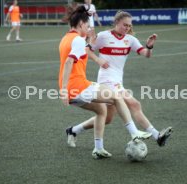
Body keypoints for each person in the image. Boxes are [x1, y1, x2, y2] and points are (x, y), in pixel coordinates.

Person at [66, 11, 173, 148]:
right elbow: (87, 50)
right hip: (106, 80)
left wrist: (149, 46)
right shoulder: (104, 36)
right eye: (124, 25)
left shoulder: (130, 40)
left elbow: (146, 54)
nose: (127, 28)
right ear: (116, 22)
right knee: (134, 104)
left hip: (118, 81)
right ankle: (156, 135)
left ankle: (73, 130)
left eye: (129, 26)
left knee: (108, 118)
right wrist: (98, 60)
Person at [58, 6, 151, 159]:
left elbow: (78, 53)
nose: (89, 29)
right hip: (77, 87)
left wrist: (89, 40)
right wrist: (63, 89)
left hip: (73, 89)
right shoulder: (78, 40)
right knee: (116, 97)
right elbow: (69, 62)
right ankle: (134, 132)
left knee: (102, 111)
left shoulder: (66, 39)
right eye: (87, 26)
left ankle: (98, 149)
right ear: (81, 24)